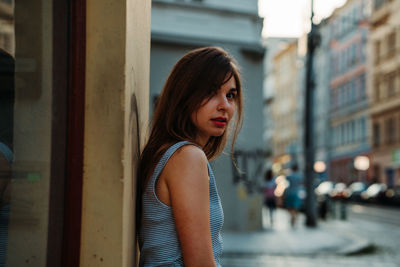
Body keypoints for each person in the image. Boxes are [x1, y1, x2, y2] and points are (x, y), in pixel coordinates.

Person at [137, 47, 243, 267]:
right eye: (211, 92)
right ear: (184, 95)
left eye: (230, 95)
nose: (224, 105)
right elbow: (200, 263)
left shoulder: (166, 152)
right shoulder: (187, 157)